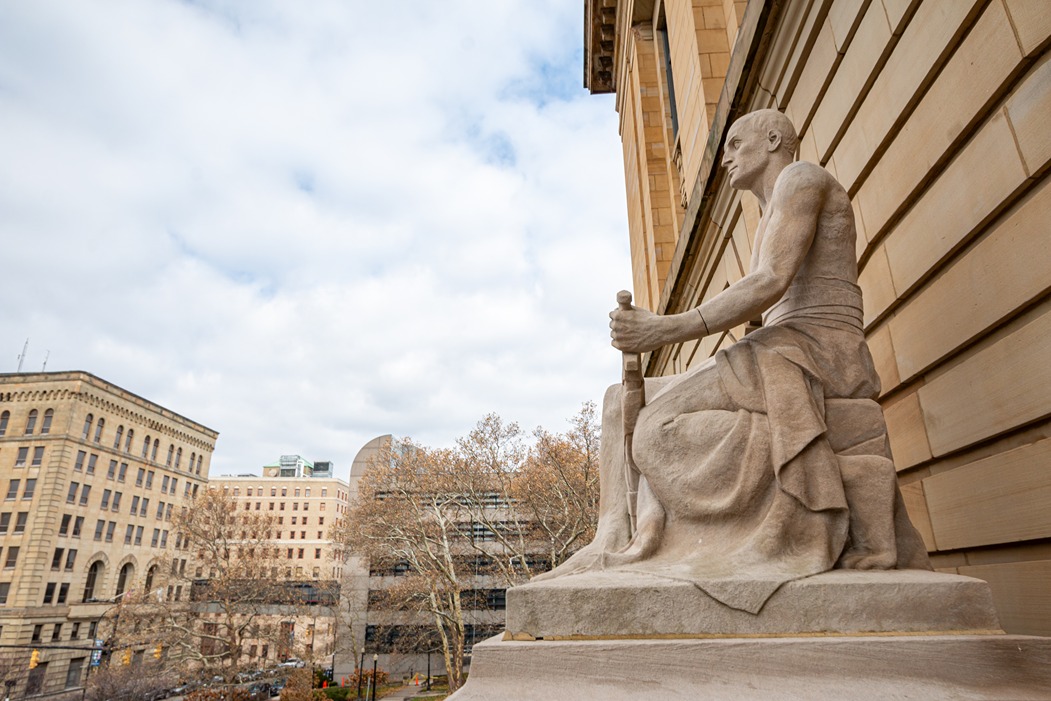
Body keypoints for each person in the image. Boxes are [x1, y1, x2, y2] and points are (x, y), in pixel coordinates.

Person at [535, 110, 929, 613]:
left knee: (653, 427)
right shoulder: (769, 210)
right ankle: (612, 535)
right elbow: (765, 300)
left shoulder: (801, 179)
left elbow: (770, 281)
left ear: (773, 140)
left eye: (735, 144)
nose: (724, 158)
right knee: (618, 402)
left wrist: (665, 329)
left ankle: (810, 490)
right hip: (781, 345)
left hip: (820, 350)